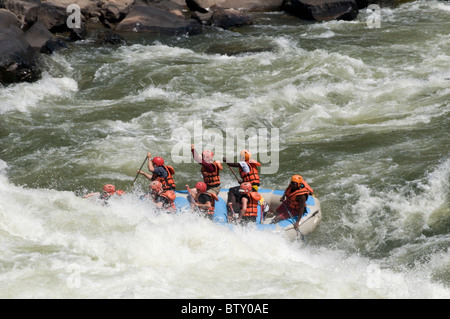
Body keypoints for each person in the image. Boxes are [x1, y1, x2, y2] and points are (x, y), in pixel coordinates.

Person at [223, 149, 261, 214]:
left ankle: (230, 211)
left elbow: (232, 164)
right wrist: (243, 182)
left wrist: (226, 160)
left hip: (250, 188)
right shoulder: (250, 164)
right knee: (238, 191)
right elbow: (249, 178)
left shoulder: (243, 163)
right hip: (254, 187)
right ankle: (238, 208)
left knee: (232, 190)